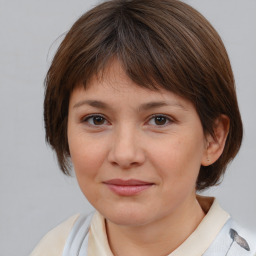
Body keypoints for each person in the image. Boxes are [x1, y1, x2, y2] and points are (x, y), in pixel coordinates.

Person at [30, 0, 256, 255]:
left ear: (213, 138)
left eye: (160, 119)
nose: (124, 154)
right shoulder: (55, 248)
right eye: (97, 119)